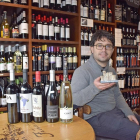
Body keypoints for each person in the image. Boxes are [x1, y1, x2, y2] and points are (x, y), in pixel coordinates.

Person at [71, 30, 140, 140]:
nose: (104, 49)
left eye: (108, 46)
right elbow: (73, 100)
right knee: (137, 132)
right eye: (99, 45)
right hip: (95, 118)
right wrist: (95, 88)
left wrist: (128, 113)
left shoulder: (111, 70)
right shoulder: (82, 71)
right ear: (92, 49)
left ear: (112, 50)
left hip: (114, 113)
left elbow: (117, 95)